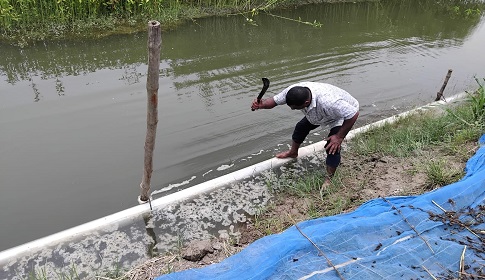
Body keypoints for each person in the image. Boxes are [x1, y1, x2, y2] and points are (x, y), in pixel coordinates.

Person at [251, 81, 359, 187]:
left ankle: (329, 179)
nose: (292, 109)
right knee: (300, 128)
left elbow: (353, 113)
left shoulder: (330, 102)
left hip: (340, 115)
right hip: (318, 114)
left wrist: (339, 137)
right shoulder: (292, 91)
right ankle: (293, 152)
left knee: (332, 146)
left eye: (295, 107)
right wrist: (262, 104)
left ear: (306, 103)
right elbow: (273, 101)